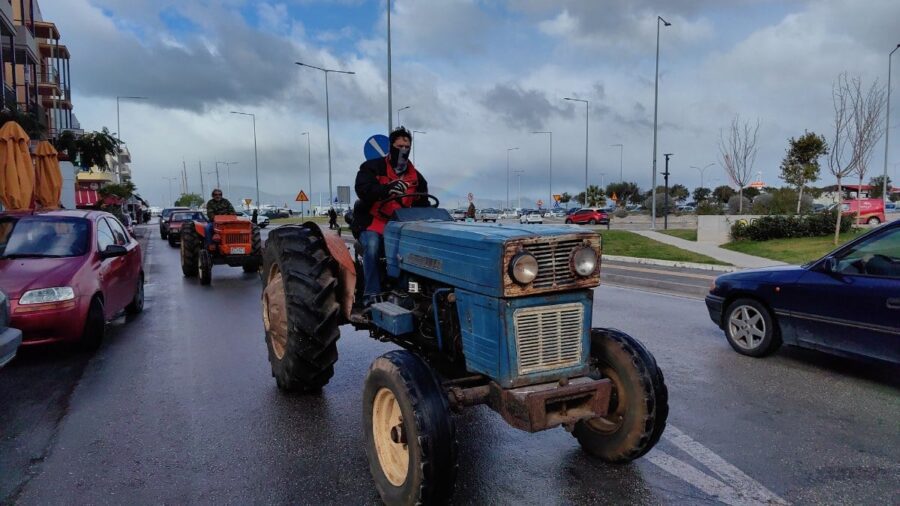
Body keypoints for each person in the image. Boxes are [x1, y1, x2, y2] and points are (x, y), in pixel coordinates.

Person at [353, 127, 429, 304]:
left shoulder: (416, 178)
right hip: (374, 222)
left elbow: (422, 203)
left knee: (418, 250)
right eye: (399, 145)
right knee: (372, 246)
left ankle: (410, 291)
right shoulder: (372, 168)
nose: (403, 150)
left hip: (400, 225)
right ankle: (371, 294)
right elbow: (363, 189)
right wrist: (386, 189)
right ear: (391, 146)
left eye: (407, 146)